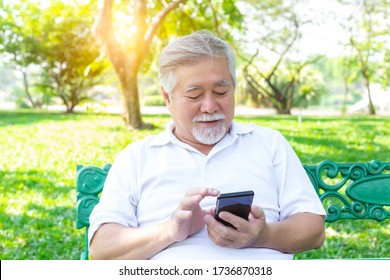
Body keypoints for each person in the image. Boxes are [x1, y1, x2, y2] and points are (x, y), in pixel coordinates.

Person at [88, 30, 326, 260]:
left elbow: (313, 230)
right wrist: (169, 231)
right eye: (194, 96)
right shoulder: (137, 157)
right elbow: (101, 249)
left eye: (221, 91)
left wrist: (262, 236)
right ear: (167, 97)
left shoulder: (269, 143)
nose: (210, 106)